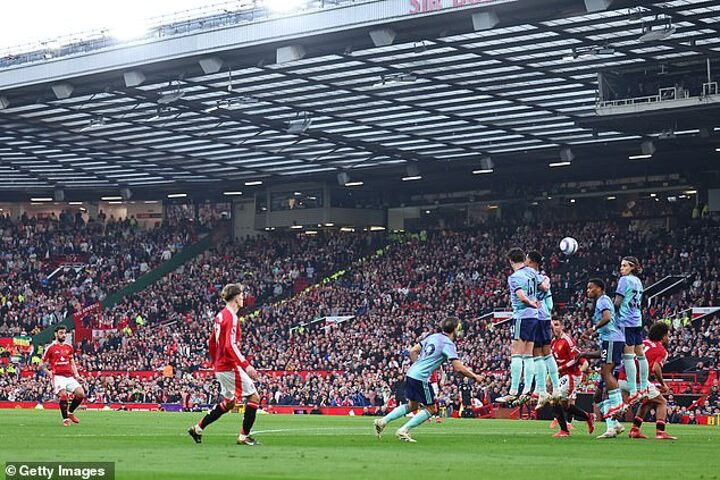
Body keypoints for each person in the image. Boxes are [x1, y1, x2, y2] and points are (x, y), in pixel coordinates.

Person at [373, 317, 483, 443]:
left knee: (412, 406)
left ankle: (382, 421)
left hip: (411, 373)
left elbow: (413, 350)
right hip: (420, 377)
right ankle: (404, 430)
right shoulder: (448, 343)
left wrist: (419, 365)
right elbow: (458, 368)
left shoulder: (433, 336)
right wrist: (475, 376)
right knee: (432, 409)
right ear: (455, 330)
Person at [188, 283, 261, 446]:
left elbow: (212, 341)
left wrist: (215, 361)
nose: (243, 297)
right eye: (242, 295)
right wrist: (246, 365)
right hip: (229, 366)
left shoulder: (220, 315)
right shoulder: (232, 317)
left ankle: (197, 428)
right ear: (236, 297)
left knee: (229, 403)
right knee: (254, 397)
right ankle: (244, 436)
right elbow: (230, 345)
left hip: (221, 365)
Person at [583, 278, 627, 438]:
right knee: (598, 396)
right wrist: (594, 334)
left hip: (612, 340)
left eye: (590, 288)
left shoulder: (602, 300)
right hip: (611, 341)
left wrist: (593, 328)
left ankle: (618, 405)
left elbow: (607, 317)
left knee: (606, 373)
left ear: (599, 288)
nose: (588, 291)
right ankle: (613, 426)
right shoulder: (602, 301)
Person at [496, 248, 541, 405]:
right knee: (528, 354)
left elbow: (522, 297)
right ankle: (527, 390)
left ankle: (513, 391)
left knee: (516, 353)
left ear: (510, 260)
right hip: (535, 318)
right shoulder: (532, 272)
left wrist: (531, 303)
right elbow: (545, 285)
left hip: (522, 316)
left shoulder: (514, 277)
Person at [619, 322, 677, 440]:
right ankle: (660, 432)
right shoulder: (662, 351)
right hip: (638, 381)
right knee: (662, 402)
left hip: (622, 378)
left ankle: (635, 430)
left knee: (649, 402)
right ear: (662, 336)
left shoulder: (643, 342)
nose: (669, 338)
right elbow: (656, 368)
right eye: (668, 335)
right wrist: (663, 384)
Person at [549, 318, 595, 438]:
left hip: (572, 375)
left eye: (557, 324)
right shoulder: (553, 342)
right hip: (563, 375)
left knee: (554, 400)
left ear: (562, 326)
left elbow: (575, 359)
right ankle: (588, 416)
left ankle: (564, 430)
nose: (555, 327)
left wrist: (561, 368)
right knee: (564, 405)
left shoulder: (567, 340)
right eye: (553, 325)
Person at [526, 251, 559, 410]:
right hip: (545, 317)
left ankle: (542, 390)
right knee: (548, 353)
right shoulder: (545, 278)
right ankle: (557, 388)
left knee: (536, 354)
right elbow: (551, 304)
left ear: (530, 260)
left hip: (534, 316)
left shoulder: (527, 276)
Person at [615, 256, 647, 405]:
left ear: (632, 267)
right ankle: (644, 387)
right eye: (621, 266)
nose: (622, 268)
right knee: (640, 354)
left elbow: (618, 301)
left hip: (626, 320)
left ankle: (634, 391)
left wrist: (611, 313)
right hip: (637, 319)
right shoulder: (638, 282)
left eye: (625, 266)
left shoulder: (624, 280)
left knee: (628, 356)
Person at [39, 325, 85, 426]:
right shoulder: (50, 348)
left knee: (81, 393)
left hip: (69, 376)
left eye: (64, 333)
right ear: (56, 334)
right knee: (63, 395)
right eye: (61, 333)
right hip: (58, 377)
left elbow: (72, 362)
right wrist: (48, 372)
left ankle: (70, 412)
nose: (63, 335)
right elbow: (41, 364)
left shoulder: (69, 347)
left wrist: (77, 375)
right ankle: (65, 419)